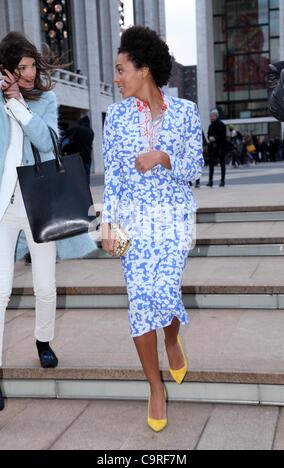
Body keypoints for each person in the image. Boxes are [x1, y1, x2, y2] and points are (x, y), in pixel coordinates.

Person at [102, 26, 204, 432]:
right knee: (141, 304)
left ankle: (171, 338)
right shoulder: (116, 117)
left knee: (165, 292)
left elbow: (194, 168)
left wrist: (164, 157)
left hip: (174, 217)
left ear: (144, 69)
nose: (117, 77)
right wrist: (107, 221)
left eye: (122, 68)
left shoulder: (186, 112)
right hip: (133, 219)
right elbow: (112, 175)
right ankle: (155, 387)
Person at [0, 32, 96, 411]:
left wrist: (20, 105)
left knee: (44, 285)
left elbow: (47, 143)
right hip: (2, 208)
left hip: (39, 204)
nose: (28, 73)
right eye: (20, 68)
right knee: (0, 291)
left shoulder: (45, 99)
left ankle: (43, 341)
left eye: (31, 66)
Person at [60, 115, 94, 185]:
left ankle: (79, 191)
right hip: (88, 157)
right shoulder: (91, 132)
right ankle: (86, 192)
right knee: (86, 176)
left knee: (77, 176)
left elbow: (65, 134)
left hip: (78, 157)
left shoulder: (78, 128)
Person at [207, 109, 227, 187]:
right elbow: (208, 135)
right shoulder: (210, 126)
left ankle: (222, 181)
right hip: (212, 147)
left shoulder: (221, 124)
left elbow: (223, 136)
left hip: (220, 147)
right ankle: (210, 181)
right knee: (211, 164)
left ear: (216, 116)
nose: (211, 117)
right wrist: (210, 138)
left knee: (222, 164)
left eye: (212, 116)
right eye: (210, 116)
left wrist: (215, 138)